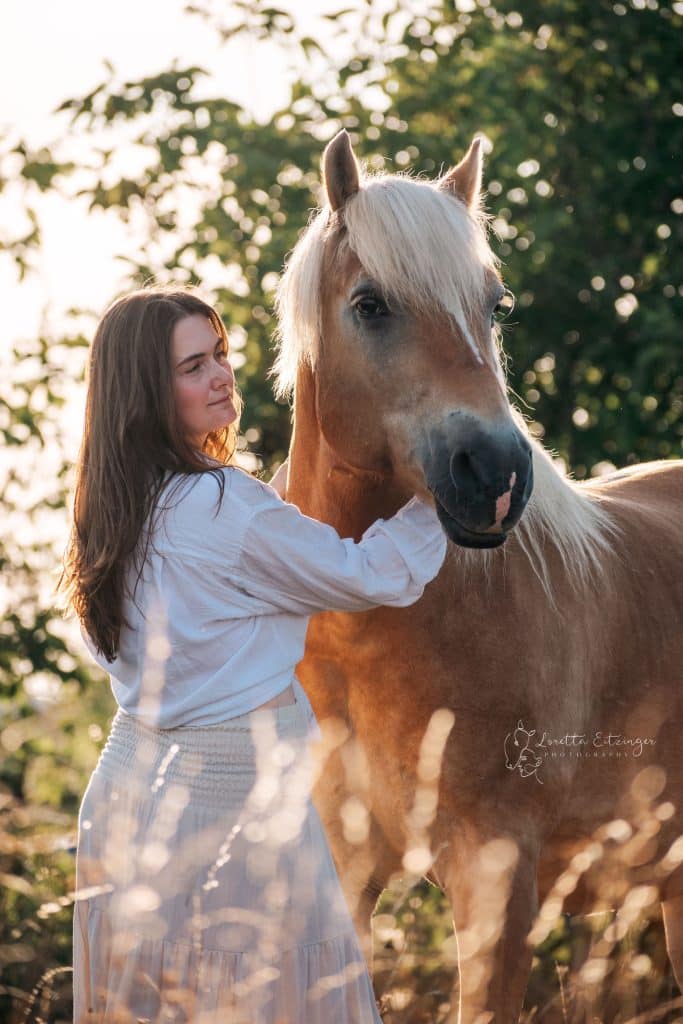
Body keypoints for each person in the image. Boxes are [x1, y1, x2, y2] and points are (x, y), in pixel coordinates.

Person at [60, 286, 448, 1023]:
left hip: (124, 803)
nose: (221, 376)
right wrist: (441, 503)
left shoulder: (108, 508)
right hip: (232, 811)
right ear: (147, 391)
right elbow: (372, 575)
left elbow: (242, 556)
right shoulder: (221, 506)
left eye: (221, 354)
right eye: (193, 366)